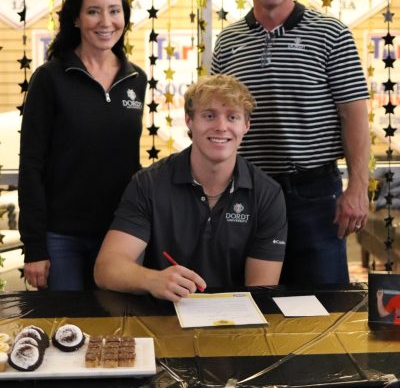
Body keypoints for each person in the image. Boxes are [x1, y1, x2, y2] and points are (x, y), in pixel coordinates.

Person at [211, 0, 370, 286]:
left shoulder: (331, 34)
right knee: (251, 302)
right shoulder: (227, 42)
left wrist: (357, 188)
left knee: (323, 302)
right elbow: (216, 120)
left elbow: (354, 116)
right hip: (247, 192)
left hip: (315, 193)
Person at [94, 74, 287, 302]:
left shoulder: (268, 194)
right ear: (189, 120)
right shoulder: (148, 183)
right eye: (209, 115)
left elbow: (261, 292)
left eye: (232, 117)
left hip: (235, 316)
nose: (221, 127)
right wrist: (151, 279)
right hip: (164, 313)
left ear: (246, 125)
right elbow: (106, 269)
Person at [18, 0, 147, 291]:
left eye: (114, 11)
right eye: (93, 11)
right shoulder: (50, 78)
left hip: (120, 235)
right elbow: (31, 165)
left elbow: (129, 161)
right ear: (76, 19)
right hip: (62, 238)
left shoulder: (136, 79)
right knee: (69, 322)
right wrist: (35, 246)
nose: (106, 22)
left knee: (119, 321)